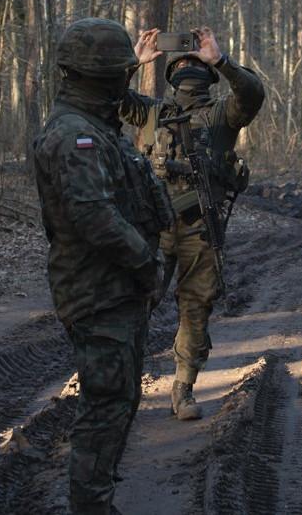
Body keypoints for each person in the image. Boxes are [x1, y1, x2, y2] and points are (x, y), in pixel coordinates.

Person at [33, 17, 173, 514]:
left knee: (119, 404)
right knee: (104, 410)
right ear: (101, 79)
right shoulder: (76, 137)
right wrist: (146, 264)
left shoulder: (93, 124)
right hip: (98, 293)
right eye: (118, 73)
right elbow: (95, 218)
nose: (124, 80)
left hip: (114, 290)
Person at [121, 26, 264, 420]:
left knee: (196, 306)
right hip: (154, 226)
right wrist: (135, 62)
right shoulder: (151, 112)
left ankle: (182, 389)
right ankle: (123, 387)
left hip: (200, 226)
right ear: (169, 73)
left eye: (194, 60)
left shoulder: (223, 114)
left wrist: (219, 58)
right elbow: (109, 99)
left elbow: (253, 94)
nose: (187, 65)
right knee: (136, 303)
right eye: (180, 60)